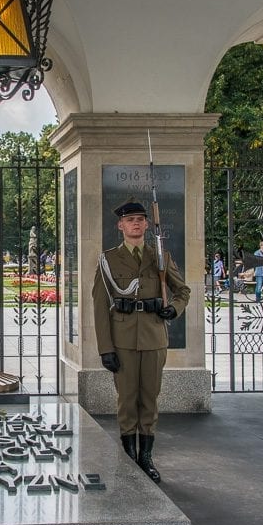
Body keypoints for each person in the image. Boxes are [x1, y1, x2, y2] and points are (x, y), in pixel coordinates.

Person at [92, 199, 191, 483]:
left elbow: (182, 291)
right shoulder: (109, 260)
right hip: (122, 341)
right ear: (120, 226)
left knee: (149, 399)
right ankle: (128, 457)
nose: (135, 223)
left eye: (140, 219)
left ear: (147, 224)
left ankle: (146, 457)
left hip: (154, 338)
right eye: (130, 220)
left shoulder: (160, 257)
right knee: (126, 400)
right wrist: (105, 349)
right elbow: (100, 306)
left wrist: (173, 309)